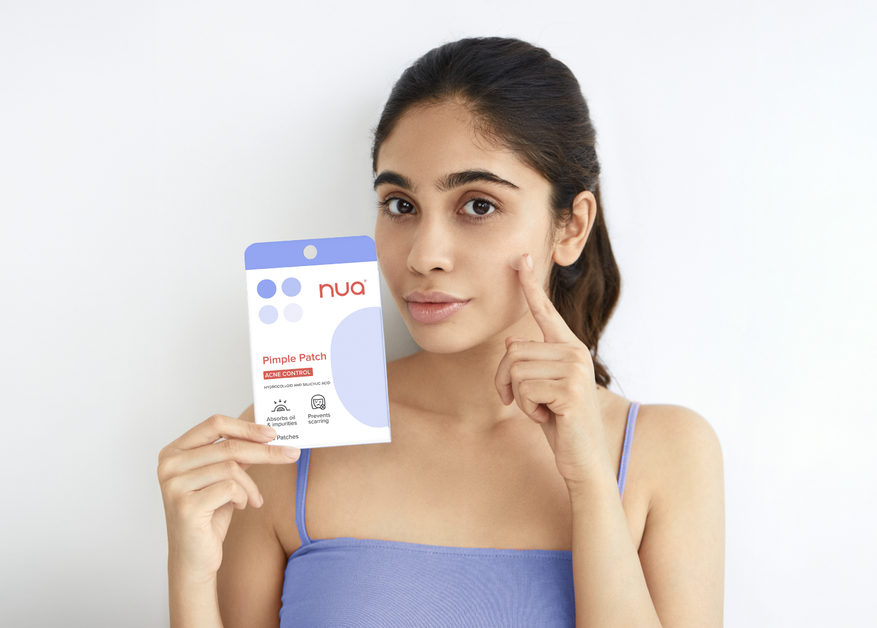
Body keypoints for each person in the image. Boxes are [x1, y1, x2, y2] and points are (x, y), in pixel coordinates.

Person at [158, 37, 725, 627]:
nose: (424, 255)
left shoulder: (667, 454)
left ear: (571, 227)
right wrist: (190, 576)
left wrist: (589, 483)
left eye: (478, 206)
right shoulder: (289, 441)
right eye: (400, 205)